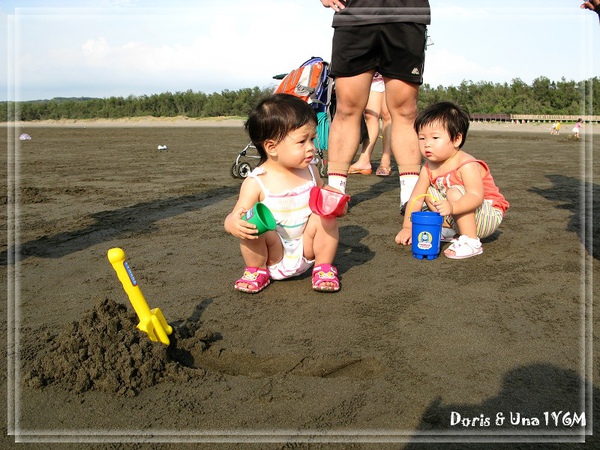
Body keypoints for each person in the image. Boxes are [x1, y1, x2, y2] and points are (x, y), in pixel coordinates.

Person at [224, 94, 342, 293]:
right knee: (252, 226)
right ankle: (256, 270)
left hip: (307, 248)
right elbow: (236, 214)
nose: (311, 148)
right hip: (273, 252)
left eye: (312, 139)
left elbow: (322, 193)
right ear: (272, 147)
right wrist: (233, 223)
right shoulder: (257, 181)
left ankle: (323, 267)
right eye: (302, 142)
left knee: (325, 217)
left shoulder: (311, 170)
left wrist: (334, 198)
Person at [320, 0, 431, 212]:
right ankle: (335, 193)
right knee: (347, 108)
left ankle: (410, 199)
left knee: (405, 110)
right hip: (355, 15)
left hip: (406, 15)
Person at [395, 102, 509, 259]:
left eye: (435, 137)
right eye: (422, 138)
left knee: (455, 191)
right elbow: (416, 198)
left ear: (456, 139)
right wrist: (408, 227)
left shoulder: (466, 164)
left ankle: (471, 241)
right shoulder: (427, 168)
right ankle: (450, 229)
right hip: (455, 212)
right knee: (427, 192)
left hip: (486, 216)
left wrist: (453, 206)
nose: (427, 144)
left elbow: (476, 196)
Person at [348, 73, 393, 176]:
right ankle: (364, 160)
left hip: (392, 70)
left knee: (388, 115)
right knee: (370, 115)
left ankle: (385, 162)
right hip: (374, 73)